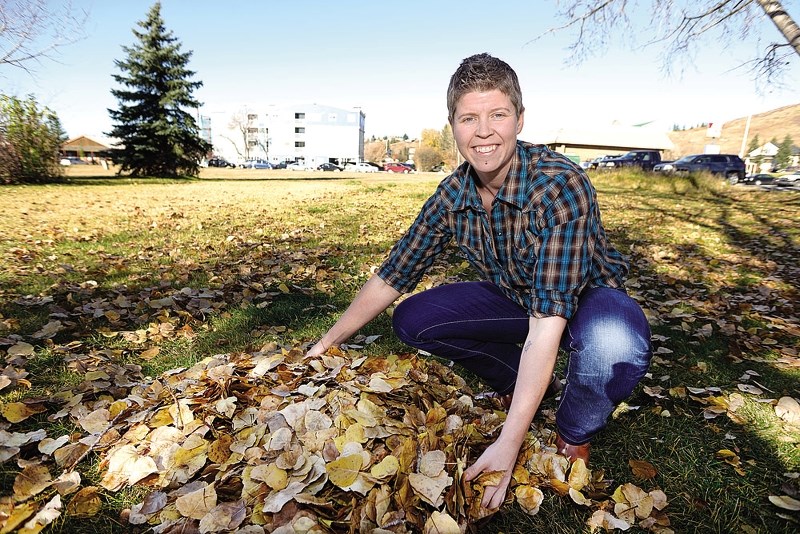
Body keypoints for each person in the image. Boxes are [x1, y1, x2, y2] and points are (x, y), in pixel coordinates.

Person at [306, 53, 652, 509]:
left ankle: (574, 429)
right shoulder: (453, 194)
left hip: (587, 300)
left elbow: (548, 321)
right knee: (413, 319)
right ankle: (522, 380)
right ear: (453, 125)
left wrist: (509, 446)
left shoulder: (560, 185)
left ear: (520, 119)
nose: (483, 131)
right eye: (469, 118)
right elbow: (394, 275)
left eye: (497, 115)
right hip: (517, 298)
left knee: (614, 344)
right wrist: (327, 342)